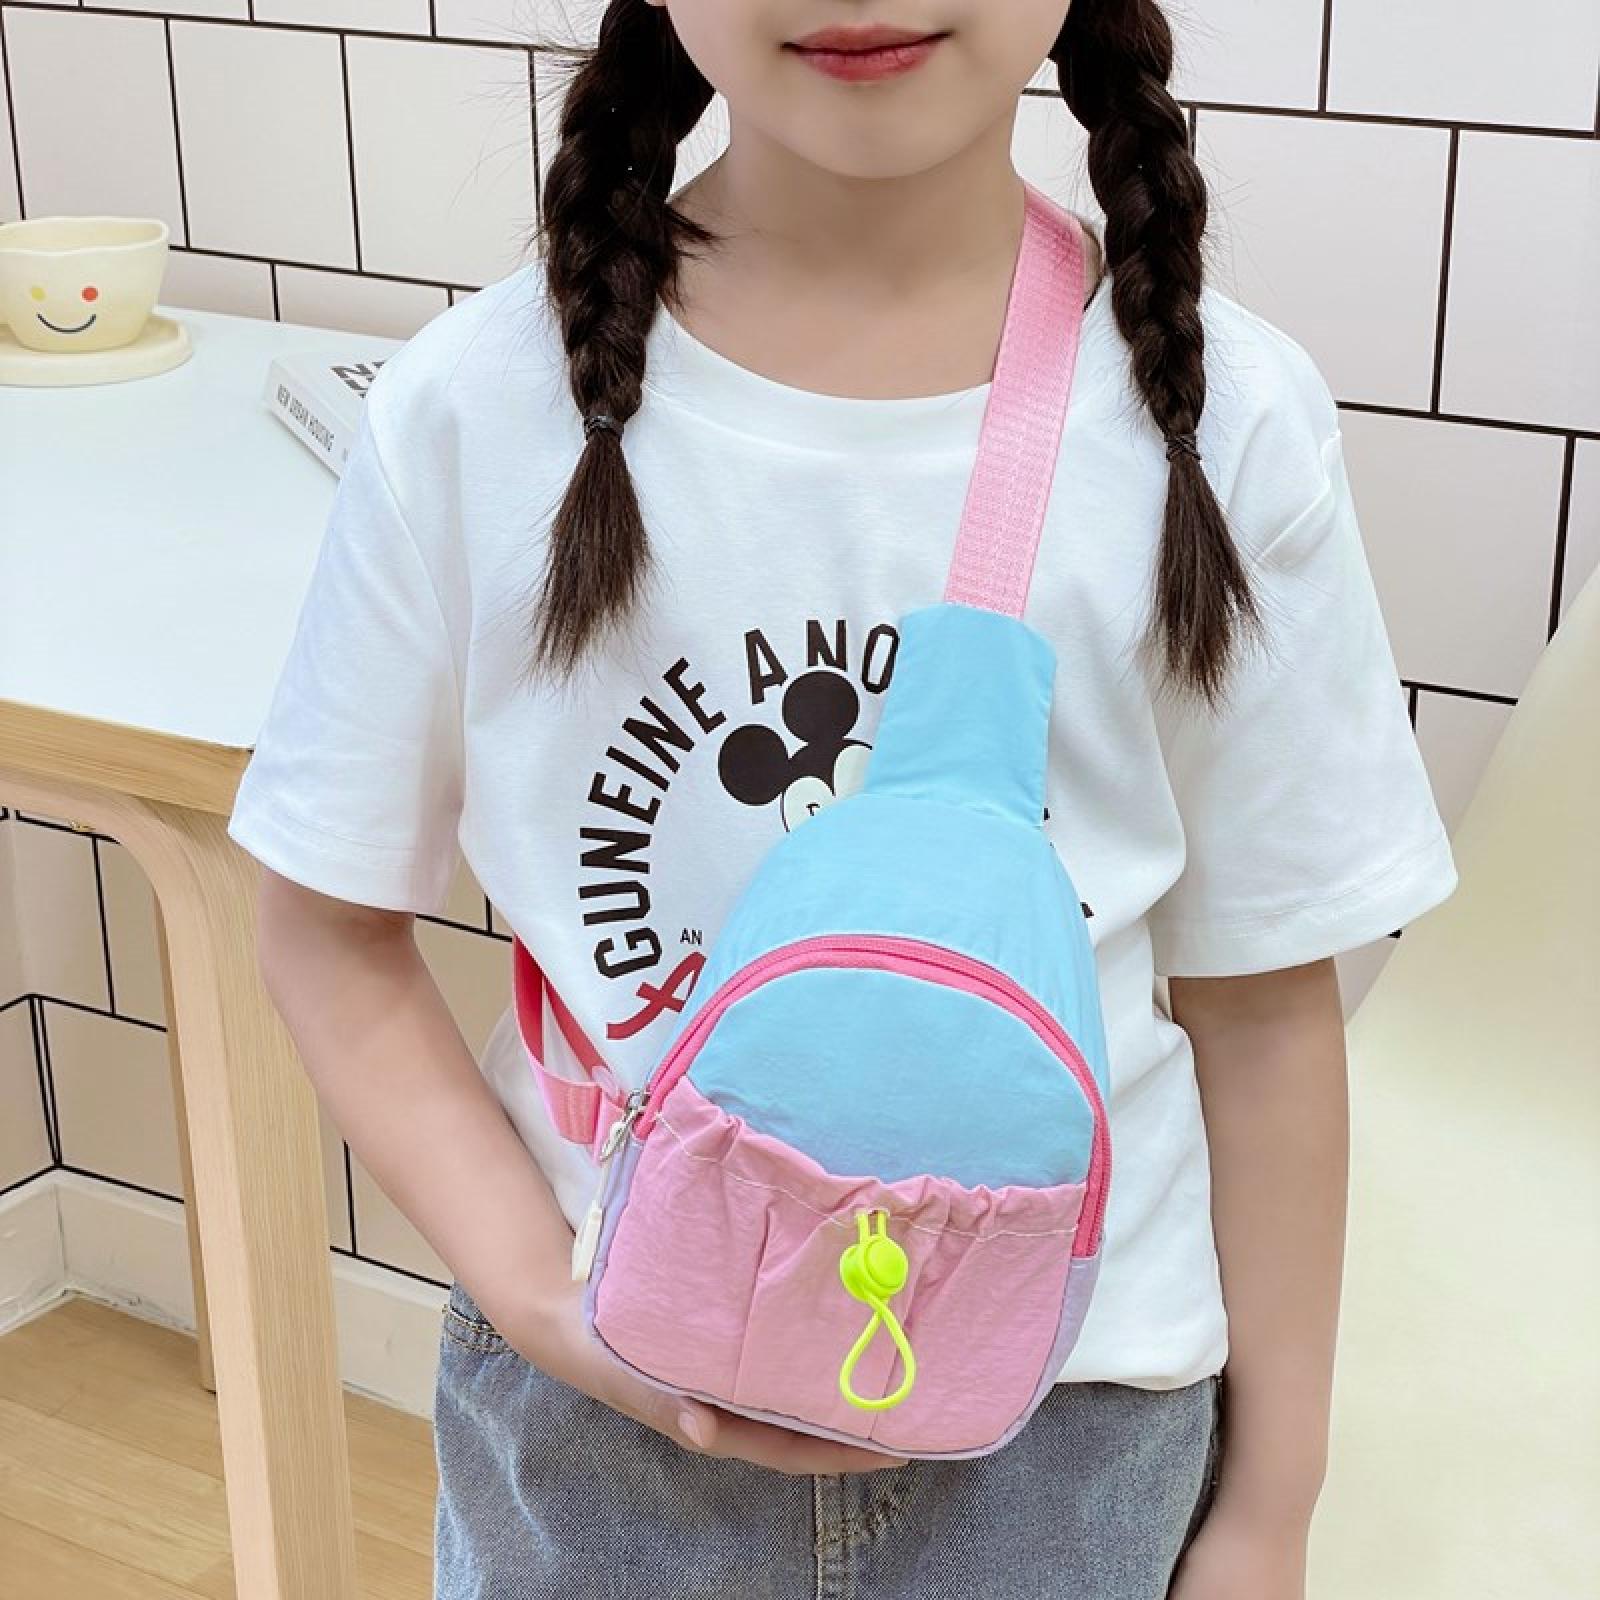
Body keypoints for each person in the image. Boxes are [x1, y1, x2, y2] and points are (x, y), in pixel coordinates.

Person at [227, 2, 1459, 1596]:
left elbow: (1268, 1008)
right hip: (600, 1438)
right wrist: (542, 1299)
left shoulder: (1225, 423)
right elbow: (325, 931)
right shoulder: (474, 410)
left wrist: (1269, 1511)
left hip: (1072, 1439)